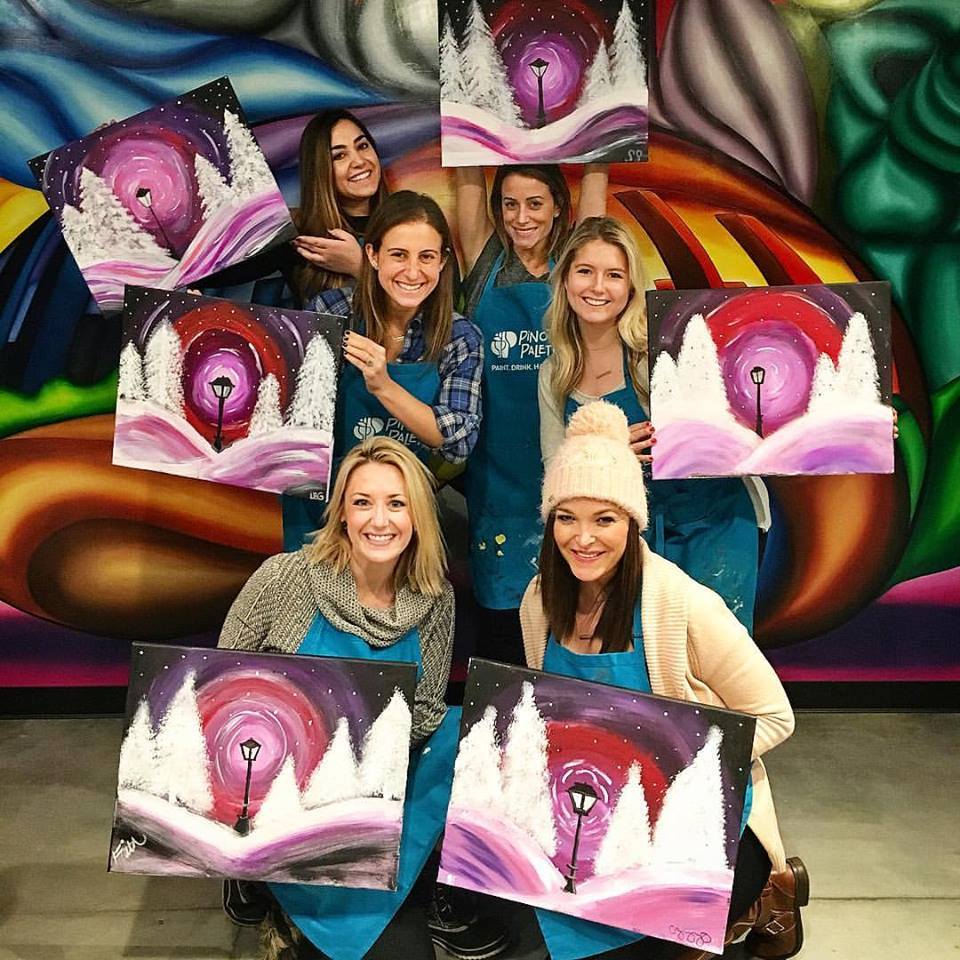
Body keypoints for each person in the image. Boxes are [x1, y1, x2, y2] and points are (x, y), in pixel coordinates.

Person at [520, 400, 808, 960]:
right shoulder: (539, 601)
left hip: (699, 814)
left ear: (633, 522)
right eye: (566, 517)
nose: (583, 538)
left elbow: (776, 716)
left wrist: (673, 762)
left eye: (605, 519)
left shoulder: (681, 603)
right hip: (596, 809)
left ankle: (763, 892)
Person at [219, 437, 506, 960]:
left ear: (418, 516)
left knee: (462, 732)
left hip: (371, 791)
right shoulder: (284, 580)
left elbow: (425, 712)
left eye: (396, 503)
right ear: (342, 514)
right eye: (362, 502)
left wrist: (368, 752)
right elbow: (218, 688)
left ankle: (421, 886)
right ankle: (264, 887)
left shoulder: (434, 598)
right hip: (279, 792)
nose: (379, 520)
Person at [538, 217, 768, 630]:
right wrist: (607, 453)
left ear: (630, 287)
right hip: (624, 540)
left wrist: (860, 422)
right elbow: (556, 476)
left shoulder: (664, 349)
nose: (597, 287)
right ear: (565, 280)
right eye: (585, 271)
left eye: (614, 275)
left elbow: (750, 417)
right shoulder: (555, 374)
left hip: (714, 522)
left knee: (714, 650)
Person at [456, 163, 608, 664]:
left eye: (535, 204)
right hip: (498, 484)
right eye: (509, 204)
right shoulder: (485, 262)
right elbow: (466, 171)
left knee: (575, 621)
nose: (521, 217)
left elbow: (597, 169)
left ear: (559, 207)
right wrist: (468, 128)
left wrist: (606, 139)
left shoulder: (578, 266)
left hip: (572, 477)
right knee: (503, 631)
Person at [282, 190, 483, 549]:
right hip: (320, 514)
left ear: (442, 261)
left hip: (397, 521)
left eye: (426, 257)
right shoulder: (331, 311)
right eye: (398, 255)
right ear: (373, 255)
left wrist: (383, 385)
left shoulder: (460, 337)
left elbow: (458, 443)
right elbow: (289, 414)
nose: (412, 272)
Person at [203, 109, 388, 309]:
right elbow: (208, 273)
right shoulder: (300, 233)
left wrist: (358, 266)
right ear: (319, 168)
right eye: (339, 156)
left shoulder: (406, 221)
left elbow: (414, 315)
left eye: (362, 146)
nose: (359, 161)